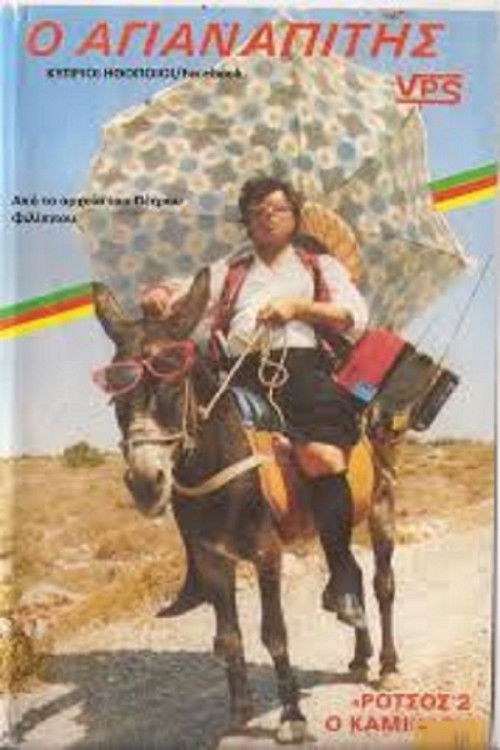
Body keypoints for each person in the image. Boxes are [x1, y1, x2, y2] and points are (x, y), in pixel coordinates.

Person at [142, 177, 369, 628]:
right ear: (246, 221)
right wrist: (162, 296)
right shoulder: (230, 269)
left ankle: (343, 574)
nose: (268, 218)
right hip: (237, 374)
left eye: (278, 210)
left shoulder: (319, 266)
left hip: (301, 373)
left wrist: (299, 308)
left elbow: (353, 317)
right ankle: (198, 575)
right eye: (257, 212)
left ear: (295, 217)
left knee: (322, 457)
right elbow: (185, 292)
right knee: (191, 444)